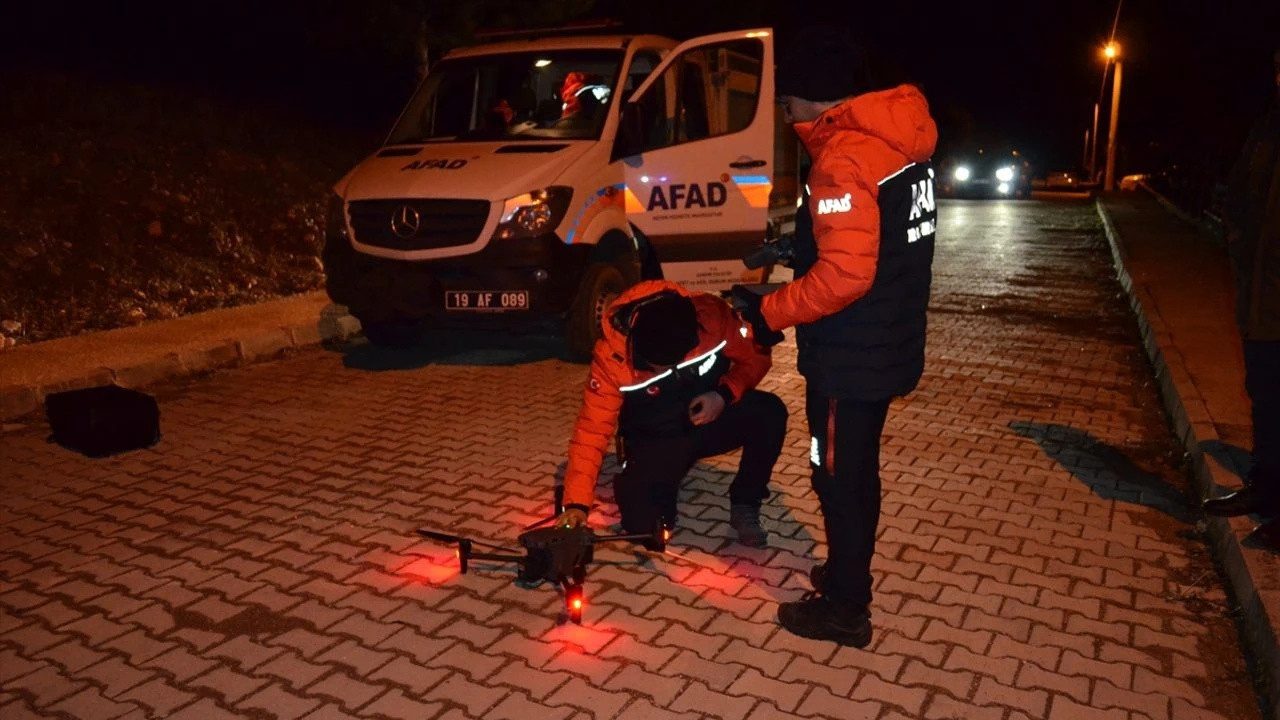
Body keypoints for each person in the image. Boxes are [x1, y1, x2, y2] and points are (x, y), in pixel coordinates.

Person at [736, 26, 938, 647]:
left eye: (788, 98)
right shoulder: (899, 144)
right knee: (857, 468)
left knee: (835, 475)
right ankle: (847, 570)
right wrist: (794, 246)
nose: (783, 109)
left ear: (814, 99)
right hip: (886, 340)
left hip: (849, 354)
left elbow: (846, 275)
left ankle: (846, 608)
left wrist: (770, 311)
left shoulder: (843, 157)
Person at [555, 280, 786, 548]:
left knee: (769, 412)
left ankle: (746, 502)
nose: (675, 367)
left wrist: (723, 396)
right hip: (656, 440)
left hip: (707, 419)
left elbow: (756, 358)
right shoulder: (612, 359)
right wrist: (576, 504)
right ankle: (649, 486)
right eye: (662, 365)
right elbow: (592, 432)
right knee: (644, 530)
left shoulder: (711, 316)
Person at [1202, 49, 1280, 538]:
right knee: (1266, 395)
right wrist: (1236, 243)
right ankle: (1267, 488)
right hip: (1261, 292)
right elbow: (1239, 195)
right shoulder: (1269, 126)